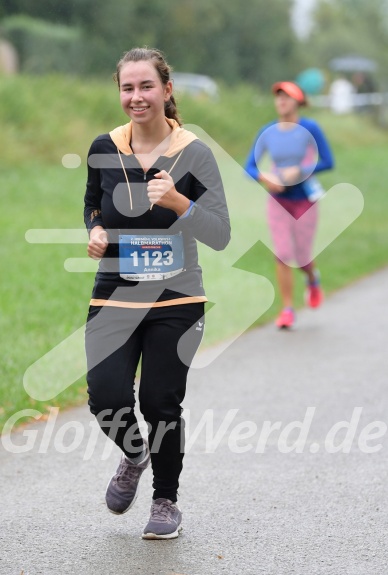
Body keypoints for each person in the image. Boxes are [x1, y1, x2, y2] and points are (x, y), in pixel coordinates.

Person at [84, 47, 230, 539]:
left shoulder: (195, 152)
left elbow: (220, 233)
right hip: (114, 294)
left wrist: (178, 202)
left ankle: (165, 500)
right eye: (127, 87)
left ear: (167, 90)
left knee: (159, 402)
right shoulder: (104, 147)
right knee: (105, 397)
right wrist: (96, 229)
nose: (136, 97)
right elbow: (92, 205)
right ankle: (133, 454)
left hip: (177, 298)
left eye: (146, 86)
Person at [244, 81, 334, 329]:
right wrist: (266, 177)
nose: (281, 101)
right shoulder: (267, 131)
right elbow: (248, 167)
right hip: (278, 200)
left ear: (298, 102)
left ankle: (313, 278)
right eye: (278, 97)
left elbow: (328, 161)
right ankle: (287, 309)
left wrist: (301, 170)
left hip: (305, 199)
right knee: (283, 254)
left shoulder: (310, 128)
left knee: (303, 257)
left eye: (287, 97)